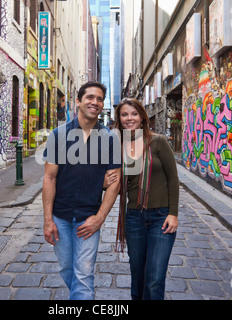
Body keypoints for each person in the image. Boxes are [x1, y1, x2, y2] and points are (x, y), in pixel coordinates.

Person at [42, 81, 121, 300]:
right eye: (90, 97)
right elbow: (49, 178)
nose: (95, 102)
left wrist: (100, 218)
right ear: (78, 101)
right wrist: (48, 220)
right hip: (61, 217)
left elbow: (115, 182)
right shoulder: (58, 135)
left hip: (88, 219)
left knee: (84, 274)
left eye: (99, 99)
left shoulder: (109, 138)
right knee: (67, 269)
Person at [107, 97, 179, 300]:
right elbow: (119, 184)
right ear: (119, 119)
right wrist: (106, 181)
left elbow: (173, 180)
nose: (129, 118)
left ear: (142, 117)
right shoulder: (119, 146)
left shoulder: (158, 142)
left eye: (134, 113)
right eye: (124, 114)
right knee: (137, 275)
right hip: (134, 218)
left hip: (161, 218)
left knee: (155, 278)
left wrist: (173, 213)